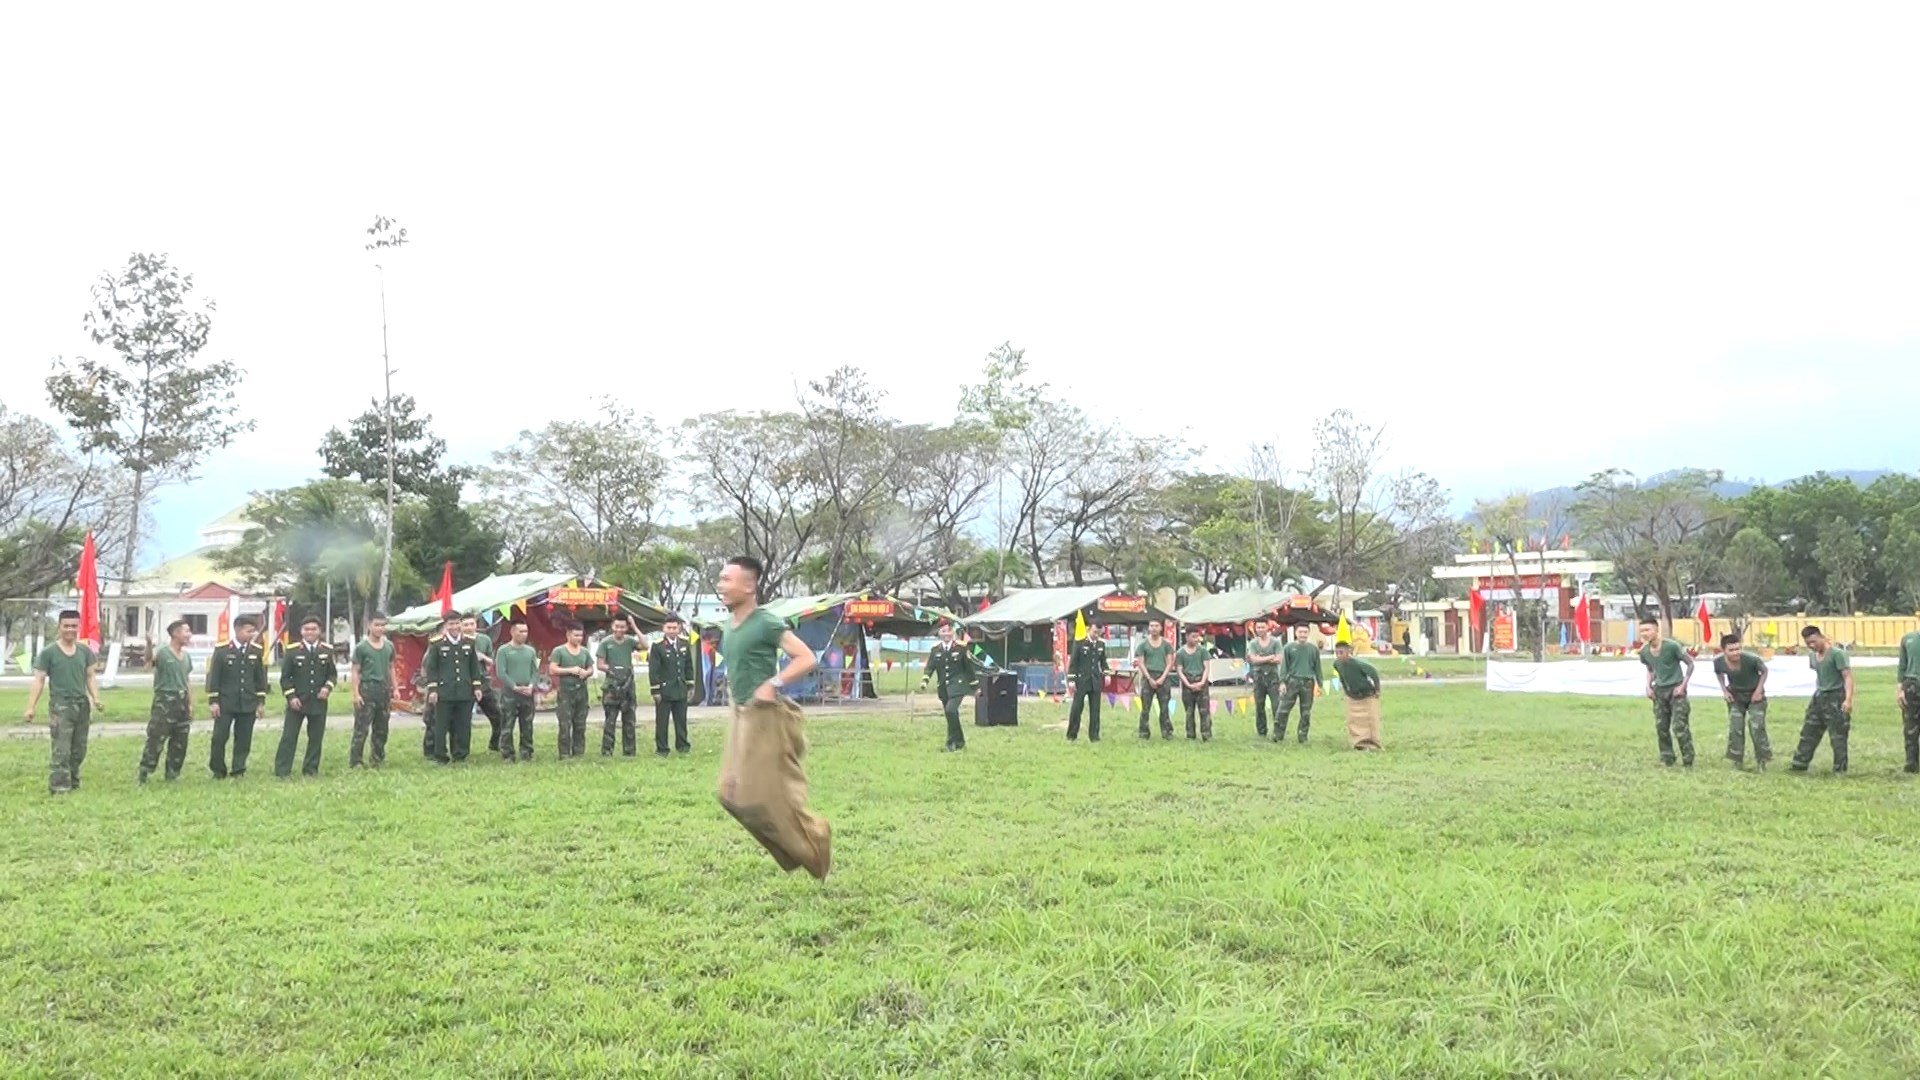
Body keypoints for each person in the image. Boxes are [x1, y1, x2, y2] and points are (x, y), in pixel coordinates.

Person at [714, 555, 831, 879]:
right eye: (721, 579)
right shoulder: (729, 624)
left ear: (749, 585)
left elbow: (806, 657)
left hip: (764, 717)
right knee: (729, 795)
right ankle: (795, 853)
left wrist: (773, 682)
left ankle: (815, 840)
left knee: (759, 797)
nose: (721, 585)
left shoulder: (765, 621)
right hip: (740, 712)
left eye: (728, 579)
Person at [24, 610, 101, 794]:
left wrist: (96, 698)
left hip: (81, 705)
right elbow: (39, 680)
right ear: (59, 627)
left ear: (78, 627)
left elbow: (90, 676)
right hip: (61, 706)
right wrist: (31, 707)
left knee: (79, 748)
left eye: (74, 626)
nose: (70, 629)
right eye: (66, 626)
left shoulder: (85, 651)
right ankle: (59, 787)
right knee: (61, 749)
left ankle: (73, 781)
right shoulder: (49, 652)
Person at [276, 615, 338, 778]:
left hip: (318, 702)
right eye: (306, 629)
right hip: (297, 702)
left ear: (320, 631)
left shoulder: (326, 650)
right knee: (289, 737)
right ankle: (282, 771)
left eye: (313, 629)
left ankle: (310, 770)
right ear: (301, 631)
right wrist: (291, 697)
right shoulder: (292, 650)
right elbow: (285, 678)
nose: (310, 632)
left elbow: (332, 675)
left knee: (316, 738)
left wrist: (327, 688)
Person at [206, 614, 268, 779]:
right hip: (226, 703)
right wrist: (213, 701)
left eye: (253, 631)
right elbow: (214, 677)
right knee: (219, 738)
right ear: (238, 630)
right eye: (249, 631)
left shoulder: (256, 651)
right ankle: (218, 770)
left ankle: (238, 769)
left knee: (243, 739)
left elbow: (260, 679)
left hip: (247, 702)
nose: (251, 635)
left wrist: (260, 702)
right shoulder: (222, 650)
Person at [918, 621, 991, 752]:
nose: (946, 634)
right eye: (943, 631)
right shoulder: (935, 650)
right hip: (943, 688)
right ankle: (960, 741)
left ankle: (950, 742)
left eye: (949, 631)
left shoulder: (961, 648)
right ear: (939, 633)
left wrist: (976, 687)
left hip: (958, 687)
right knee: (951, 714)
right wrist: (925, 681)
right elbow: (930, 667)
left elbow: (969, 669)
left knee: (950, 710)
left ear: (953, 633)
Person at [1789, 625, 1853, 774]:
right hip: (1819, 696)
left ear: (1821, 637)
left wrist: (1848, 699)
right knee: (1809, 731)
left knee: (1838, 736)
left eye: (1814, 641)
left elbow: (1848, 677)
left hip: (1836, 696)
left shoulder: (1837, 654)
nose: (1812, 646)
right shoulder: (1812, 656)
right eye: (1808, 643)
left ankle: (1839, 769)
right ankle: (1799, 764)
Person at [424, 612, 486, 764]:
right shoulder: (437, 643)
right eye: (451, 624)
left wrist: (477, 686)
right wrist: (433, 690)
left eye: (457, 623)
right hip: (444, 692)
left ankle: (460, 754)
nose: (455, 627)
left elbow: (474, 667)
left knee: (463, 725)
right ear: (445, 625)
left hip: (464, 691)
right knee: (441, 725)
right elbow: (431, 668)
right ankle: (440, 755)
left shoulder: (469, 642)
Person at [138, 618, 195, 783]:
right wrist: (149, 644)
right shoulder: (163, 652)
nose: (189, 635)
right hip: (164, 701)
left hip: (182, 700)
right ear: (176, 633)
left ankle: (173, 773)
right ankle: (146, 770)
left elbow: (187, 680)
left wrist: (190, 703)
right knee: (156, 737)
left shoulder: (186, 656)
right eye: (186, 631)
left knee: (180, 739)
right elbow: (148, 663)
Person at [1637, 617, 1695, 767]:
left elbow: (1690, 664)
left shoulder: (1672, 646)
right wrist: (1648, 686)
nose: (1645, 633)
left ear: (1657, 630)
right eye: (1642, 631)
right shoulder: (1644, 652)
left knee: (1679, 726)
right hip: (1659, 691)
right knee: (1661, 726)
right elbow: (1650, 668)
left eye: (1648, 630)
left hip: (1676, 689)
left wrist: (1683, 685)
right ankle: (1667, 757)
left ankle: (1688, 758)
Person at [1712, 633, 1770, 770]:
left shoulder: (1751, 659)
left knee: (1756, 727)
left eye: (1738, 649)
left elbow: (1765, 671)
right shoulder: (1718, 661)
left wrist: (1758, 691)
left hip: (1754, 695)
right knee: (1735, 727)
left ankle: (1762, 760)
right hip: (1736, 696)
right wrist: (1724, 691)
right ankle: (1736, 760)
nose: (1735, 653)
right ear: (1723, 650)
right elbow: (1719, 673)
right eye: (1731, 650)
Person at [349, 613, 396, 769]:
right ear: (369, 625)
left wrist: (395, 688)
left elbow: (391, 667)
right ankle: (356, 760)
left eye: (383, 625)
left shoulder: (389, 646)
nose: (380, 628)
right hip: (367, 688)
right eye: (376, 625)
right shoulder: (362, 647)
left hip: (383, 690)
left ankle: (377, 758)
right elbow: (355, 671)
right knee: (361, 728)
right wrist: (356, 694)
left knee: (382, 728)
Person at [494, 619, 540, 762]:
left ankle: (527, 752)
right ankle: (507, 754)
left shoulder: (530, 651)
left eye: (526, 631)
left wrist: (531, 686)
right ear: (512, 632)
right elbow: (501, 672)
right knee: (507, 724)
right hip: (510, 693)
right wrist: (514, 686)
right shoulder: (503, 651)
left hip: (527, 693)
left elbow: (535, 672)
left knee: (527, 724)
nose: (524, 634)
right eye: (521, 631)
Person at [648, 616, 695, 757]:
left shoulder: (684, 643)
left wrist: (690, 685)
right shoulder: (657, 646)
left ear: (679, 628)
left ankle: (683, 746)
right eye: (669, 628)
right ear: (663, 628)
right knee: (662, 722)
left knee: (681, 720)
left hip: (680, 688)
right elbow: (654, 669)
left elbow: (688, 666)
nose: (672, 631)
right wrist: (655, 690)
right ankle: (662, 749)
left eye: (674, 628)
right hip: (664, 690)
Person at [596, 615, 641, 756]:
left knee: (629, 720)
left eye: (622, 627)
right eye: (617, 627)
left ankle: (629, 751)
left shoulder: (630, 641)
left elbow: (645, 645)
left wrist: (634, 626)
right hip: (612, 686)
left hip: (628, 685)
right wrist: (613, 670)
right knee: (610, 720)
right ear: (612, 627)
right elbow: (600, 664)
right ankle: (607, 751)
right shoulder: (605, 643)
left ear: (626, 628)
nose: (619, 630)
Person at [548, 623, 594, 759]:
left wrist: (586, 672)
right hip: (566, 692)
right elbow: (553, 669)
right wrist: (570, 670)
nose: (579, 638)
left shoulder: (584, 651)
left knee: (580, 724)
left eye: (581, 635)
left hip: (581, 692)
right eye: (576, 635)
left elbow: (591, 668)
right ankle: (564, 753)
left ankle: (579, 752)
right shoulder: (559, 651)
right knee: (565, 724)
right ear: (568, 635)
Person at [463, 614, 504, 754]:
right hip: (465, 683)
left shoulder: (484, 639)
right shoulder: (458, 640)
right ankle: (462, 750)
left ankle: (495, 744)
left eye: (471, 624)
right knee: (463, 719)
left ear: (476, 625)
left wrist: (483, 657)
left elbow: (491, 663)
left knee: (498, 715)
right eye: (466, 625)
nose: (469, 627)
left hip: (483, 682)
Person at [1331, 640, 1383, 751]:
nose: (1339, 655)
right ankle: (1359, 743)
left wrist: (1377, 689)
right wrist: (1346, 690)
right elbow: (1342, 677)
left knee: (1371, 719)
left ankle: (1373, 743)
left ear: (1349, 651)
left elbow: (1373, 673)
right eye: (1337, 653)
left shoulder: (1358, 663)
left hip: (1367, 693)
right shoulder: (1337, 664)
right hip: (1352, 695)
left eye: (1342, 652)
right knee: (1353, 720)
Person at [1275, 623, 1322, 743]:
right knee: (1283, 710)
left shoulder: (1313, 649)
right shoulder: (1289, 648)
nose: (1302, 635)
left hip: (1308, 682)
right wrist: (1282, 682)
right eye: (1300, 632)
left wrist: (1319, 683)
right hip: (1292, 681)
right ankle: (1278, 735)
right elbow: (1284, 666)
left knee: (1306, 712)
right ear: (1296, 633)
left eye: (1305, 632)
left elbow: (1317, 667)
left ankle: (1303, 736)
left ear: (1308, 633)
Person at [1065, 626, 1108, 742]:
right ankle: (1072, 735)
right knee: (1076, 708)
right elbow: (1073, 663)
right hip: (1081, 681)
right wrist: (1072, 680)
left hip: (1095, 681)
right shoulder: (1080, 644)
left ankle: (1094, 736)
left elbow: (1103, 662)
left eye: (1099, 633)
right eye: (1094, 632)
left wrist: (1107, 674)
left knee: (1095, 710)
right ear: (1089, 630)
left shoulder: (1101, 645)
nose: (1096, 635)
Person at [1134, 622, 1175, 740]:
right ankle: (1143, 732)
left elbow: (1170, 663)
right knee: (1145, 708)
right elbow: (1141, 663)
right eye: (1151, 626)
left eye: (1156, 626)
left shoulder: (1167, 644)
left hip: (1163, 677)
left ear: (1161, 628)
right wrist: (1149, 678)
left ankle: (1167, 732)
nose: (1154, 628)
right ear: (1148, 628)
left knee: (1164, 707)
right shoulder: (1143, 645)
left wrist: (1162, 678)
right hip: (1148, 677)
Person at [1246, 620, 1283, 738]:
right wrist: (1270, 657)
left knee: (1276, 705)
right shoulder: (1252, 643)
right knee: (1259, 705)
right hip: (1258, 677)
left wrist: (1261, 658)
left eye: (1262, 627)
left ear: (1268, 628)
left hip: (1273, 677)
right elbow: (1253, 659)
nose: (1260, 629)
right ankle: (1261, 731)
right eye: (1258, 627)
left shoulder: (1275, 642)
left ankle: (1278, 731)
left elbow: (1279, 659)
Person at [1175, 628, 1212, 741]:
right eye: (1193, 636)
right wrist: (1188, 684)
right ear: (1186, 637)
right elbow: (1179, 670)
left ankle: (1206, 734)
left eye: (1197, 637)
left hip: (1201, 680)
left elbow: (1206, 668)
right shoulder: (1180, 653)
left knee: (1204, 711)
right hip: (1188, 681)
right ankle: (1190, 735)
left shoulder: (1203, 651)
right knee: (1189, 711)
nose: (1196, 639)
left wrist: (1202, 682)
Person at [1899, 625, 1920, 774]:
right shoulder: (1908, 639)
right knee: (1910, 726)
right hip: (1911, 684)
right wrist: (1900, 689)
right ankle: (1911, 763)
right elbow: (1902, 665)